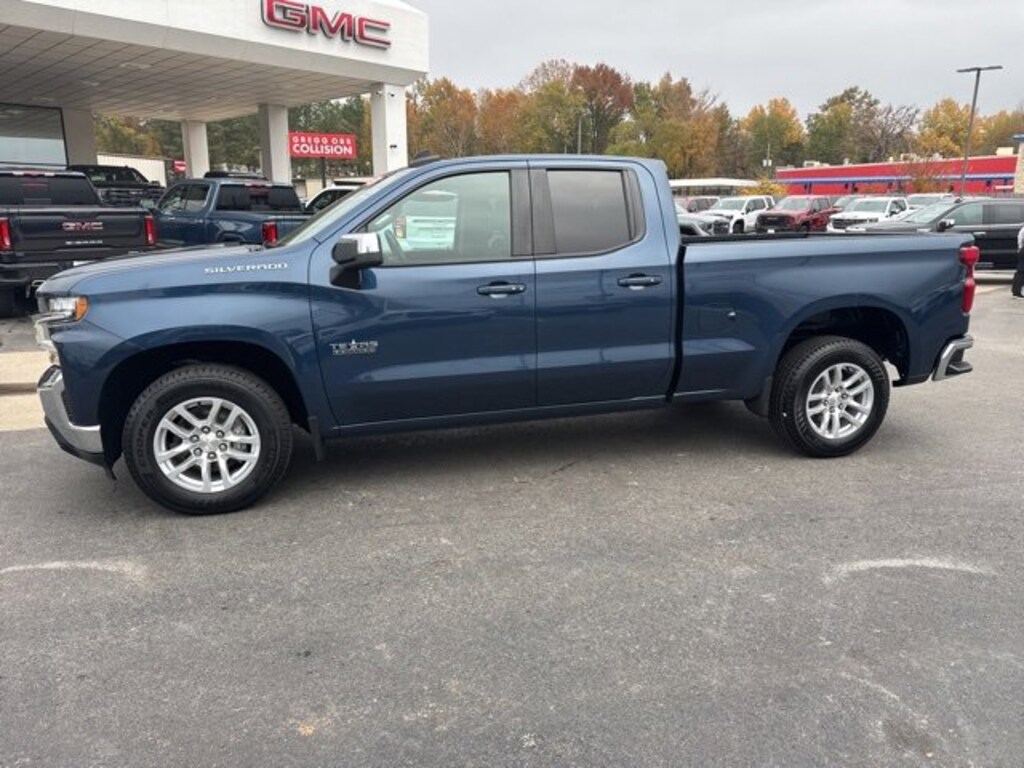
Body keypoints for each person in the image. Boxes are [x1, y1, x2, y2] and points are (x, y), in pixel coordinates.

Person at [1013, 223, 1024, 298]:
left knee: (1020, 271)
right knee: (1021, 272)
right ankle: (1016, 291)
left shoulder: (1022, 229)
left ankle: (1016, 290)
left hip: (1022, 250)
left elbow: (1020, 241)